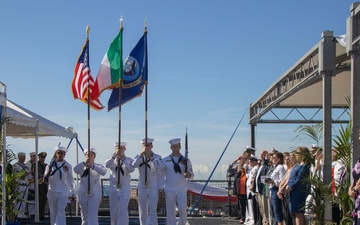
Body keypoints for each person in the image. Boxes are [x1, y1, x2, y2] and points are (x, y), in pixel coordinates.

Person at [161, 138, 194, 225]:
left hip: (181, 188)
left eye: (177, 146)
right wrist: (161, 188)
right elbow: (161, 176)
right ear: (171, 147)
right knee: (170, 211)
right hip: (169, 188)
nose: (175, 148)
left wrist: (188, 175)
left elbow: (192, 176)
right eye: (173, 146)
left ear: (180, 147)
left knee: (183, 209)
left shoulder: (186, 160)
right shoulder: (165, 160)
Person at [132, 138, 164, 225]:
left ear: (152, 146)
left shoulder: (157, 157)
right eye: (145, 145)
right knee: (143, 209)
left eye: (148, 145)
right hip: (142, 185)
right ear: (142, 146)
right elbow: (133, 165)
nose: (147, 147)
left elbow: (161, 167)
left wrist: (152, 158)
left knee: (152, 209)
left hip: (153, 185)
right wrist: (141, 154)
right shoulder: (138, 157)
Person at [74, 148, 107, 225]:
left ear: (94, 157)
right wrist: (84, 163)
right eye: (88, 155)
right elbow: (76, 170)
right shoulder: (81, 165)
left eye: (91, 155)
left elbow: (103, 172)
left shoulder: (98, 166)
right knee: (84, 213)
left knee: (93, 212)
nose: (89, 156)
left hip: (95, 190)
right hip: (82, 190)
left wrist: (92, 166)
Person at [105, 141, 135, 225]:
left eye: (121, 148)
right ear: (115, 149)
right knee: (113, 209)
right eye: (118, 148)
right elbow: (106, 164)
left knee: (123, 208)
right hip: (113, 187)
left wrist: (123, 159)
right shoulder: (111, 159)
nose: (120, 150)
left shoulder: (129, 160)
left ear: (125, 149)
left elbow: (131, 169)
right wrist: (114, 156)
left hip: (125, 187)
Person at [44, 146, 75, 225]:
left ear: (64, 154)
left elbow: (70, 179)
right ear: (56, 154)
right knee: (53, 210)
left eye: (62, 153)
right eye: (58, 153)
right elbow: (45, 179)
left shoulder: (68, 165)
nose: (60, 154)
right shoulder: (49, 165)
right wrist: (49, 171)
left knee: (61, 210)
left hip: (63, 191)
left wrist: (72, 191)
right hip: (52, 190)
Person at [284, 146, 311, 225]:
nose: (297, 155)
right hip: (293, 191)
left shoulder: (305, 166)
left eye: (298, 153)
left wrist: (290, 187)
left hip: (299, 191)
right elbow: (291, 178)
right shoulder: (298, 165)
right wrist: (288, 185)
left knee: (299, 213)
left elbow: (299, 179)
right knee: (296, 213)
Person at [267, 152, 285, 225]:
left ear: (279, 159)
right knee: (274, 210)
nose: (273, 159)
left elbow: (282, 180)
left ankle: (280, 223)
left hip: (277, 189)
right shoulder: (274, 167)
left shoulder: (280, 167)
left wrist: (273, 182)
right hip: (272, 189)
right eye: (273, 157)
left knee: (277, 209)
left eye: (275, 158)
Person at [252, 150, 270, 225]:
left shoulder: (266, 165)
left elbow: (265, 177)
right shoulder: (261, 165)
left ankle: (266, 222)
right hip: (258, 190)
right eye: (260, 154)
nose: (261, 156)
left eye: (263, 154)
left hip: (263, 190)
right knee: (261, 209)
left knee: (265, 209)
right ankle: (264, 222)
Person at [13, 152, 30, 219]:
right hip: (19, 185)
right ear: (19, 157)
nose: (24, 158)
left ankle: (22, 214)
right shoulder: (16, 165)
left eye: (24, 157)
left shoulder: (26, 166)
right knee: (19, 200)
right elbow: (17, 176)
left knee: (24, 200)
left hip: (26, 185)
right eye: (23, 157)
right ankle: (17, 214)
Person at [348, 156, 360, 225]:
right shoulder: (358, 160)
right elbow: (354, 179)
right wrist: (350, 189)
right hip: (357, 199)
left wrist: (354, 189)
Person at [38, 151, 48, 220]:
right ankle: (39, 214)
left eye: (44, 158)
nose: (43, 159)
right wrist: (41, 176)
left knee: (44, 199)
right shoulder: (36, 164)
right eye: (41, 157)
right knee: (40, 200)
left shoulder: (46, 165)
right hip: (39, 184)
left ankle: (42, 214)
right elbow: (34, 173)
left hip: (45, 184)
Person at [26, 151, 36, 217]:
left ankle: (33, 213)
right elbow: (27, 174)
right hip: (30, 183)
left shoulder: (36, 164)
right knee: (30, 198)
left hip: (35, 183)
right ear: (31, 157)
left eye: (35, 156)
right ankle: (30, 212)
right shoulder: (27, 164)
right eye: (33, 156)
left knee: (35, 199)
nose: (35, 158)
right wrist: (32, 178)